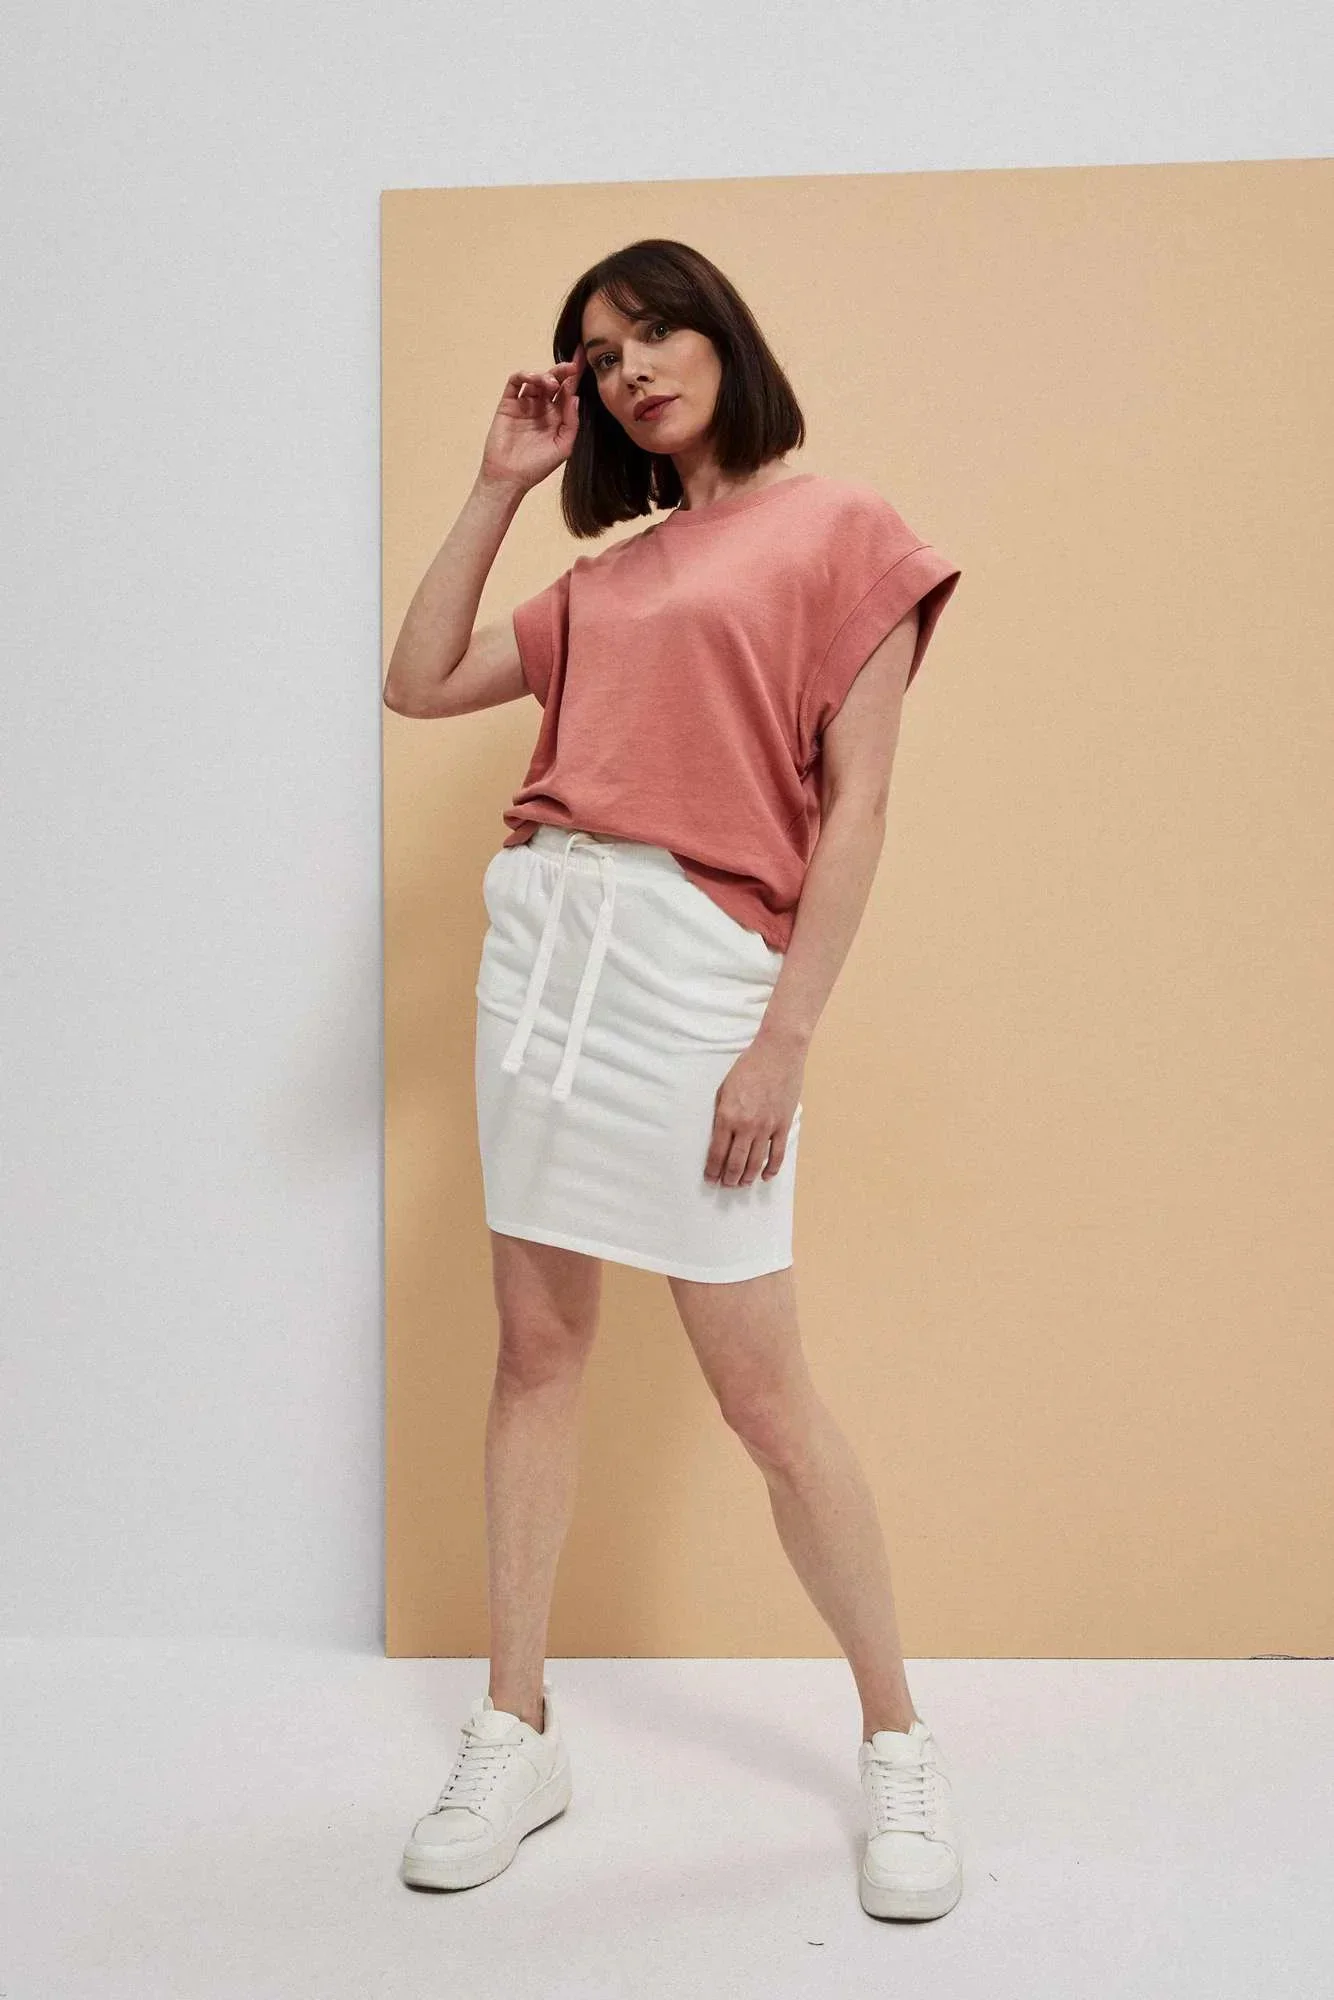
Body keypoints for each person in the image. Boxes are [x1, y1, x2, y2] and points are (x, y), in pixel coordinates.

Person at [385, 238, 965, 1920]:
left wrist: (781, 1038)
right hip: (541, 956)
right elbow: (417, 681)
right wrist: (501, 484)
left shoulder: (840, 527)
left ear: (722, 336)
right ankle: (516, 1726)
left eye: (653, 330)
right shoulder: (608, 578)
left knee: (761, 1394)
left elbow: (856, 809)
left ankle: (898, 1738)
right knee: (535, 1351)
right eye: (597, 352)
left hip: (696, 972)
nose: (629, 367)